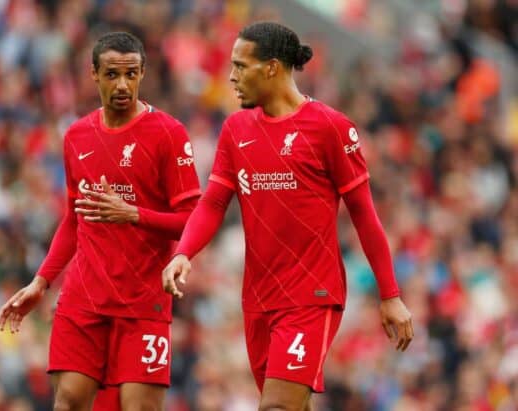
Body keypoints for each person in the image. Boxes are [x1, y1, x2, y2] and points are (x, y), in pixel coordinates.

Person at [162, 22, 413, 411]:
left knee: (276, 406)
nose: (231, 76)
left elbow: (364, 215)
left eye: (240, 66)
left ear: (272, 68)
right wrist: (183, 253)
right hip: (258, 298)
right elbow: (213, 204)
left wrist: (390, 295)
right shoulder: (236, 128)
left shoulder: (329, 127)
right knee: (290, 404)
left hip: (311, 295)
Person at [0, 32, 201, 411]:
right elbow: (74, 219)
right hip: (84, 298)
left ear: (142, 74)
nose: (122, 84)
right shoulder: (76, 136)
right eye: (111, 74)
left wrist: (134, 214)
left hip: (143, 301)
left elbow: (194, 219)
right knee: (70, 401)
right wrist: (41, 282)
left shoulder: (169, 134)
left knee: (139, 407)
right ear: (93, 74)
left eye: (131, 74)